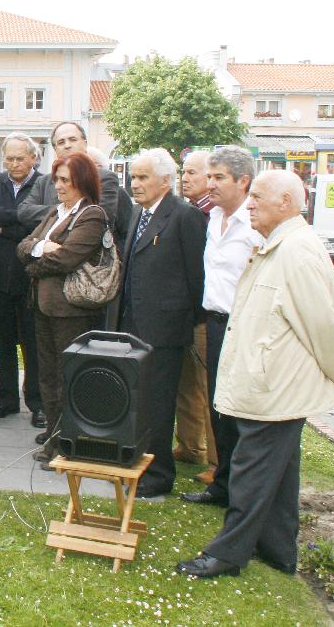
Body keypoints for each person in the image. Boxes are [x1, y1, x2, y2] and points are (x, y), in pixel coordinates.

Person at [177, 171, 334, 579]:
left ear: (287, 203)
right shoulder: (279, 244)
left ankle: (227, 553)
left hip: (276, 385)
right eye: (251, 195)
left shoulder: (297, 252)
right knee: (280, 470)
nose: (250, 203)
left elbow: (323, 326)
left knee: (250, 471)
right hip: (269, 380)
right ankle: (278, 550)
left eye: (259, 197)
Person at [118, 148, 206, 498]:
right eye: (133, 177)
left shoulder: (184, 217)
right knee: (139, 401)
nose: (134, 184)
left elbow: (196, 276)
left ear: (166, 181)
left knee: (158, 403)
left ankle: (157, 474)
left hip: (165, 329)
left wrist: (186, 322)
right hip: (134, 324)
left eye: (142, 178)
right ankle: (138, 462)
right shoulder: (138, 214)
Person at [181, 146, 263, 508]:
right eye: (208, 177)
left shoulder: (257, 223)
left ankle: (242, 490)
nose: (209, 185)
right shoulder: (214, 218)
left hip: (244, 326)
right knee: (217, 404)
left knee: (239, 409)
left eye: (218, 178)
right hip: (214, 323)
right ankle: (222, 483)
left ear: (243, 181)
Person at [16, 153, 107, 470]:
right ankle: (53, 436)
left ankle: (68, 442)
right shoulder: (56, 212)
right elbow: (23, 244)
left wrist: (34, 261)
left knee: (68, 377)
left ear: (82, 181)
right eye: (57, 179)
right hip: (43, 305)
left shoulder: (91, 216)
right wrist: (40, 248)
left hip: (71, 310)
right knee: (48, 375)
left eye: (65, 180)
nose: (59, 185)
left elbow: (68, 258)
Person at [0, 133, 44, 427]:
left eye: (20, 158)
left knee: (32, 342)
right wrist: (19, 219)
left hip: (30, 277)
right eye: (10, 158)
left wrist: (3, 226)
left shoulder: (44, 184)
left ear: (33, 158)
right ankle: (6, 400)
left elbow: (42, 223)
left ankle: (37, 402)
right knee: (2, 341)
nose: (14, 164)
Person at [17, 122, 132, 250]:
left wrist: (63, 212)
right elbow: (24, 212)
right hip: (47, 259)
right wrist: (65, 211)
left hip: (88, 262)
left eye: (73, 140)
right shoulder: (43, 182)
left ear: (85, 144)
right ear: (55, 150)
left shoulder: (104, 178)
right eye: (61, 142)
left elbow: (98, 216)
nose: (67, 145)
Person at [173, 150, 215, 471]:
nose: (185, 178)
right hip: (186, 313)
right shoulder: (190, 211)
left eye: (192, 173)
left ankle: (215, 461)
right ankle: (189, 445)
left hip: (205, 314)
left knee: (207, 389)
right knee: (186, 385)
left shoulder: (211, 215)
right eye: (183, 173)